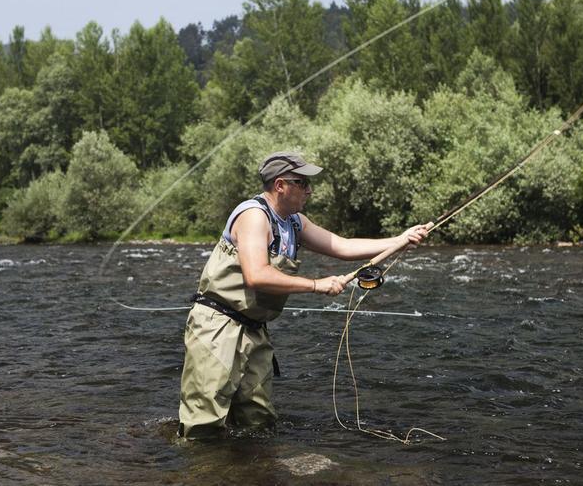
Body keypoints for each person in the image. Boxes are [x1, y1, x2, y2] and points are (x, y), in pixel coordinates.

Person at [178, 150, 432, 439]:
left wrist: (400, 240)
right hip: (217, 325)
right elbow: (256, 275)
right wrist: (316, 284)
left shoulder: (295, 221)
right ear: (280, 185)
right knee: (204, 421)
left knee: (257, 420)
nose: (309, 190)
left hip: (254, 329)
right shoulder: (254, 216)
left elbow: (342, 246)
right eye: (302, 182)